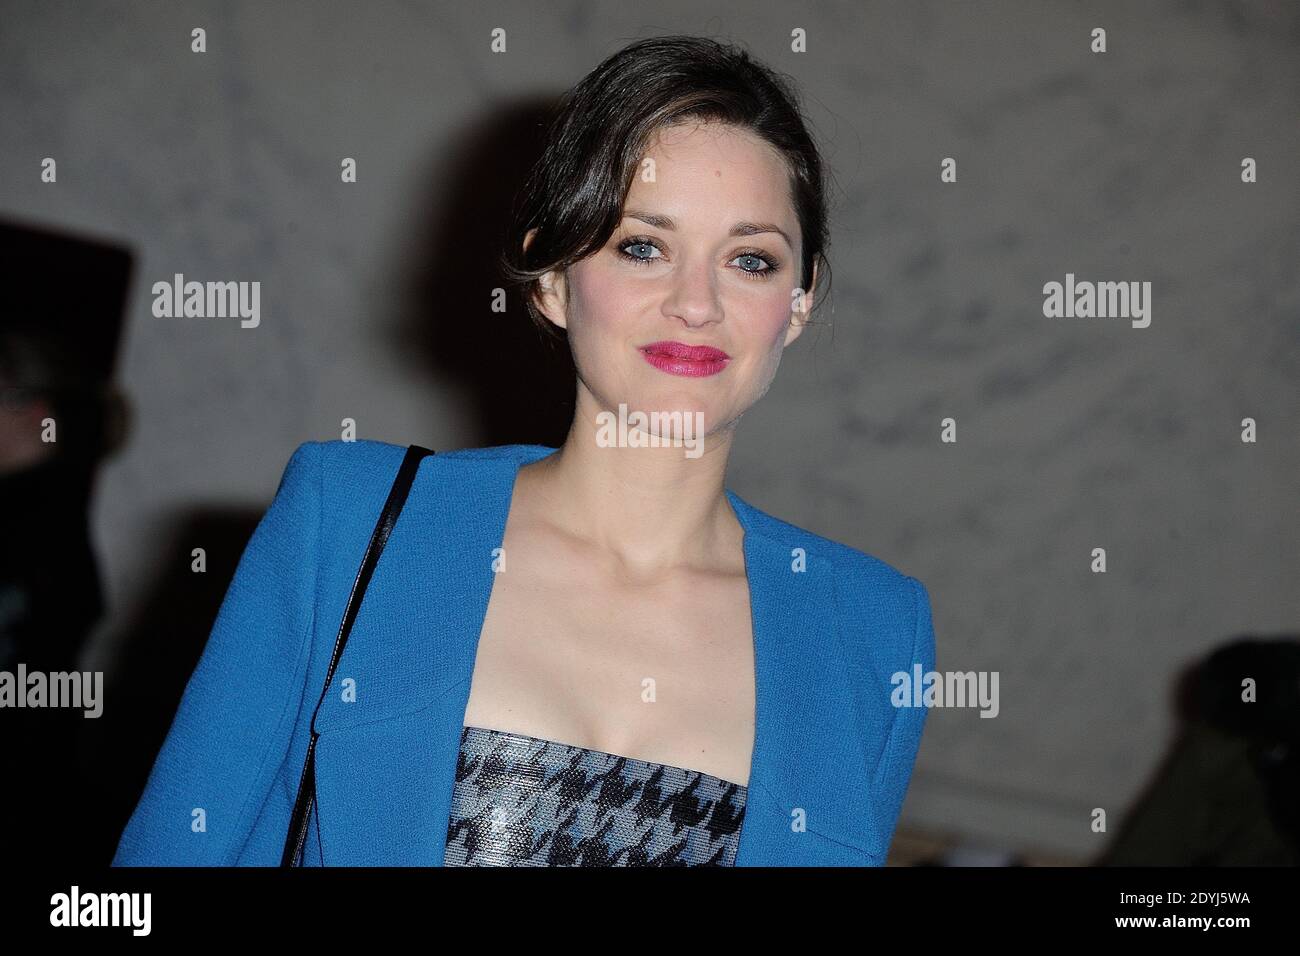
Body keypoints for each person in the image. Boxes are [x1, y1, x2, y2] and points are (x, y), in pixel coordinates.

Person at [111, 34, 937, 868]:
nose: (697, 303)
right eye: (642, 246)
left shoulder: (872, 631)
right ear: (551, 280)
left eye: (750, 260)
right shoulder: (349, 522)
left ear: (796, 305)